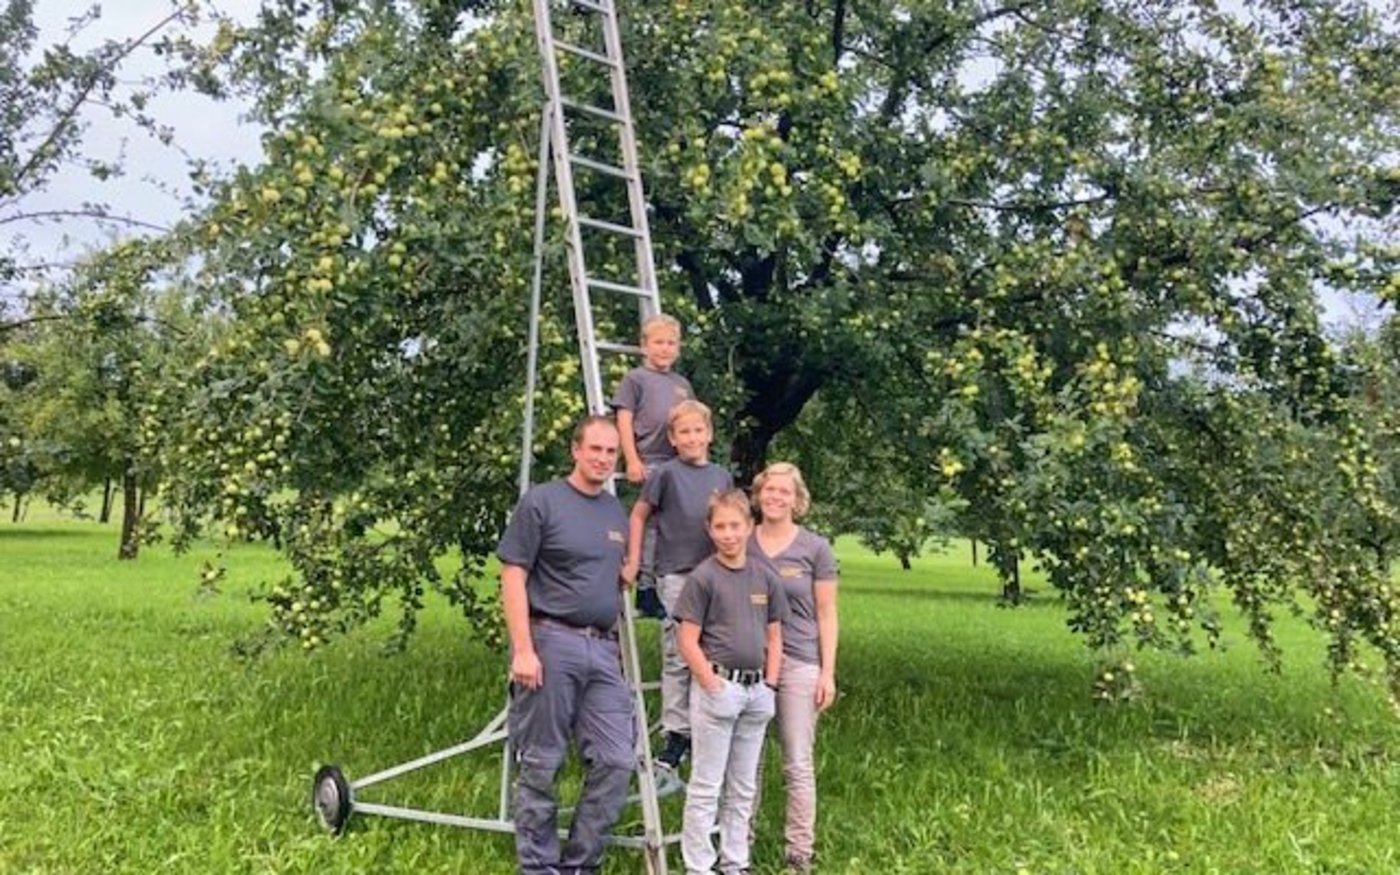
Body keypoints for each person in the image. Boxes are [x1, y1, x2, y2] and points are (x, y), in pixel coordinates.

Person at [496, 415, 635, 875]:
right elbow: (512, 574)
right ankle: (538, 866)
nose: (602, 459)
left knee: (617, 759)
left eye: (611, 452)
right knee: (542, 761)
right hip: (551, 641)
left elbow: (613, 575)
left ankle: (579, 864)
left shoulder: (614, 512)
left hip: (603, 648)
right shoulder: (543, 501)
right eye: (594, 449)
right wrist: (523, 649)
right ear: (575, 450)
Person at [674, 489, 787, 875]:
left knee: (743, 786)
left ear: (749, 527)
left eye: (735, 526)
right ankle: (699, 866)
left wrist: (770, 684)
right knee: (707, 785)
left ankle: (735, 862)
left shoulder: (764, 576)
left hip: (757, 692)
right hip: (719, 688)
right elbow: (687, 640)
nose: (728, 534)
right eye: (720, 527)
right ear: (709, 530)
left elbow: (775, 635)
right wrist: (710, 682)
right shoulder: (703, 578)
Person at [622, 400, 733, 771]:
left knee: (712, 651)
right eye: (684, 432)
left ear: (709, 434)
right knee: (679, 653)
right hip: (677, 573)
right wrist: (637, 563)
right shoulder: (666, 474)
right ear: (672, 438)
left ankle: (706, 725)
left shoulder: (721, 476)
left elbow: (732, 522)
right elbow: (640, 516)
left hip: (715, 574)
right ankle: (676, 732)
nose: (692, 438)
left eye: (698, 430)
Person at [749, 462, 839, 875]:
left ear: (796, 499)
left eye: (784, 492)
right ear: (759, 494)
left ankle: (799, 854)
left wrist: (827, 671)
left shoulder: (815, 548)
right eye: (770, 490)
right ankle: (739, 847)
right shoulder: (742, 541)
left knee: (797, 762)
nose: (775, 497)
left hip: (799, 661)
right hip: (749, 662)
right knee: (746, 760)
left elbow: (827, 613)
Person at [612, 312, 694, 619]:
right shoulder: (636, 379)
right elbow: (624, 418)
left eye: (671, 343)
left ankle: (664, 584)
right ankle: (645, 588)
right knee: (650, 525)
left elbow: (692, 419)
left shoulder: (681, 384)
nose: (665, 349)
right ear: (644, 346)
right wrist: (632, 458)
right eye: (658, 342)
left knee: (674, 526)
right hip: (651, 460)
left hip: (679, 463)